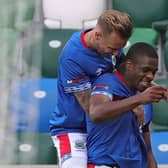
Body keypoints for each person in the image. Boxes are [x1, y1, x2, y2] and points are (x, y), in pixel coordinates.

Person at [49, 9, 133, 168]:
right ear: (97, 36)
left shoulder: (113, 45)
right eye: (112, 48)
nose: (116, 53)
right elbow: (92, 109)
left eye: (119, 48)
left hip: (103, 125)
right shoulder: (72, 57)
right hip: (73, 128)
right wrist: (133, 104)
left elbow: (127, 76)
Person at [86, 42, 168, 168]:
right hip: (106, 164)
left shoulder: (143, 93)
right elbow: (96, 112)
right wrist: (138, 99)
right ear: (129, 66)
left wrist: (151, 162)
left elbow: (146, 141)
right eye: (145, 70)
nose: (151, 76)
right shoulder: (108, 82)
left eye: (154, 71)